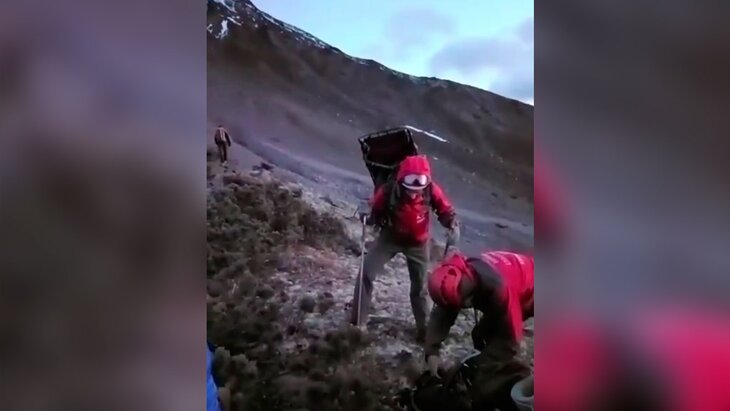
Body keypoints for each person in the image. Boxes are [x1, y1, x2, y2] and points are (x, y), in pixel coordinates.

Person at [353, 154, 458, 341]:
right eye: (410, 187)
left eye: (419, 187)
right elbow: (374, 210)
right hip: (389, 239)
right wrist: (366, 216)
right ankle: (357, 323)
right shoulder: (388, 191)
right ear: (401, 180)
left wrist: (451, 223)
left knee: (420, 288)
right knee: (366, 273)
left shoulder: (430, 190)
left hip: (418, 244)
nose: (414, 192)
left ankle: (425, 332)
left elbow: (444, 209)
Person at [424, 250, 534, 409]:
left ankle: (523, 389)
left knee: (495, 348)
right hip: (512, 281)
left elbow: (510, 340)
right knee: (479, 335)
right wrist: (431, 351)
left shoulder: (500, 289)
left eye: (467, 301)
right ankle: (492, 374)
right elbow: (441, 316)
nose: (466, 305)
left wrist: (481, 367)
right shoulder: (458, 274)